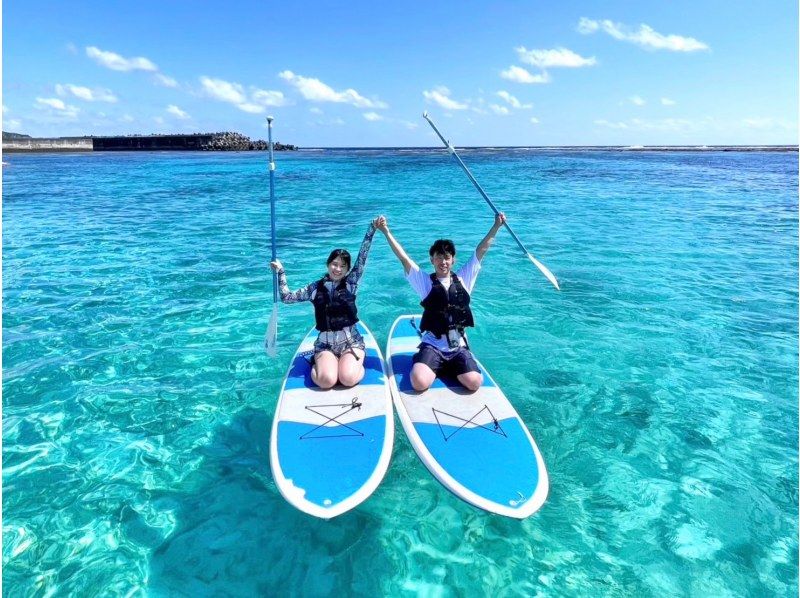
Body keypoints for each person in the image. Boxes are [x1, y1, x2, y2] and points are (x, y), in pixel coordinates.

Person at [375, 212, 507, 392]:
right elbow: (404, 259)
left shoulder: (464, 279)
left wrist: (496, 226)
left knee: (475, 382)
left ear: (453, 260)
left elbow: (481, 251)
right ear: (432, 260)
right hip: (433, 345)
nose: (443, 261)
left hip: (457, 346)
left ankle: (450, 367)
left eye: (447, 257)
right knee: (418, 383)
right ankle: (429, 363)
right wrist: (385, 231)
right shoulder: (425, 283)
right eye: (438, 257)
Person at [270, 218, 380, 389]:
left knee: (348, 379)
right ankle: (321, 364)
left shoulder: (351, 283)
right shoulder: (315, 288)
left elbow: (362, 257)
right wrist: (280, 273)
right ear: (328, 264)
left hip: (351, 342)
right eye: (334, 264)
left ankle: (352, 364)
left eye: (343, 266)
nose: (338, 269)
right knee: (326, 382)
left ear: (347, 269)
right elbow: (286, 298)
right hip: (325, 345)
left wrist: (371, 229)